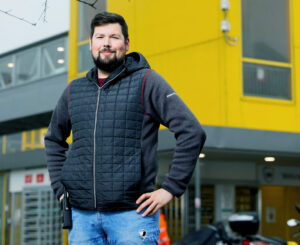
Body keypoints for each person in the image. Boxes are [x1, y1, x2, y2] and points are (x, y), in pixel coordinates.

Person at [44, 11, 206, 245]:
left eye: (114, 37)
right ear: (90, 44)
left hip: (133, 216)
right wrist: (60, 189)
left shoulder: (147, 81)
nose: (106, 43)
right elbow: (53, 139)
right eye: (99, 37)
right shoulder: (73, 90)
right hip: (81, 218)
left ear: (126, 43)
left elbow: (192, 131)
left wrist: (170, 189)